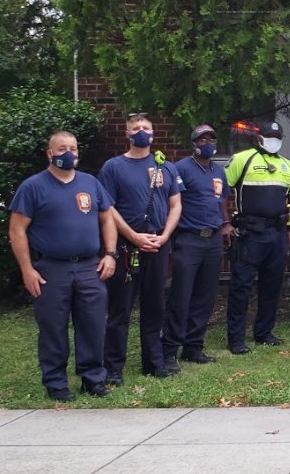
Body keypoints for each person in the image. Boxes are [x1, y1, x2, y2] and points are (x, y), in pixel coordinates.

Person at [9, 131, 118, 401]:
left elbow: (107, 220)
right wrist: (27, 269)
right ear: (50, 153)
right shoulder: (33, 186)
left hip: (90, 267)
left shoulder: (90, 183)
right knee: (53, 327)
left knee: (93, 325)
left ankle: (93, 378)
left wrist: (111, 254)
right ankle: (56, 382)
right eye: (61, 148)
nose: (68, 153)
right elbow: (17, 231)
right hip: (51, 269)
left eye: (73, 147)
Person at [98, 112, 182, 383]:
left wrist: (165, 235)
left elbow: (175, 205)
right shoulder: (112, 167)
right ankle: (113, 368)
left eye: (146, 127)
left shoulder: (166, 167)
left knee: (154, 305)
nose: (142, 131)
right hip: (126, 247)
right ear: (127, 133)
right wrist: (133, 237)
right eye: (136, 127)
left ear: (153, 134)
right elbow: (108, 209)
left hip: (158, 244)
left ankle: (154, 362)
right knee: (120, 308)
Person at [224, 120, 290, 354]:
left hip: (277, 234)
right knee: (242, 286)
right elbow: (221, 192)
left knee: (272, 285)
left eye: (278, 138)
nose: (274, 141)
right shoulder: (243, 159)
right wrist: (225, 223)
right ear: (259, 138)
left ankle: (264, 332)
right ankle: (236, 338)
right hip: (249, 234)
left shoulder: (287, 165)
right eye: (269, 137)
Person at [161, 125, 229, 371]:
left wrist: (226, 224)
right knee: (181, 295)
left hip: (213, 239)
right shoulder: (181, 168)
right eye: (203, 139)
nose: (208, 142)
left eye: (211, 138)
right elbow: (171, 202)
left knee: (205, 296)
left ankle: (194, 346)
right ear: (194, 143)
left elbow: (222, 201)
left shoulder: (218, 170)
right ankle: (169, 350)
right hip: (188, 239)